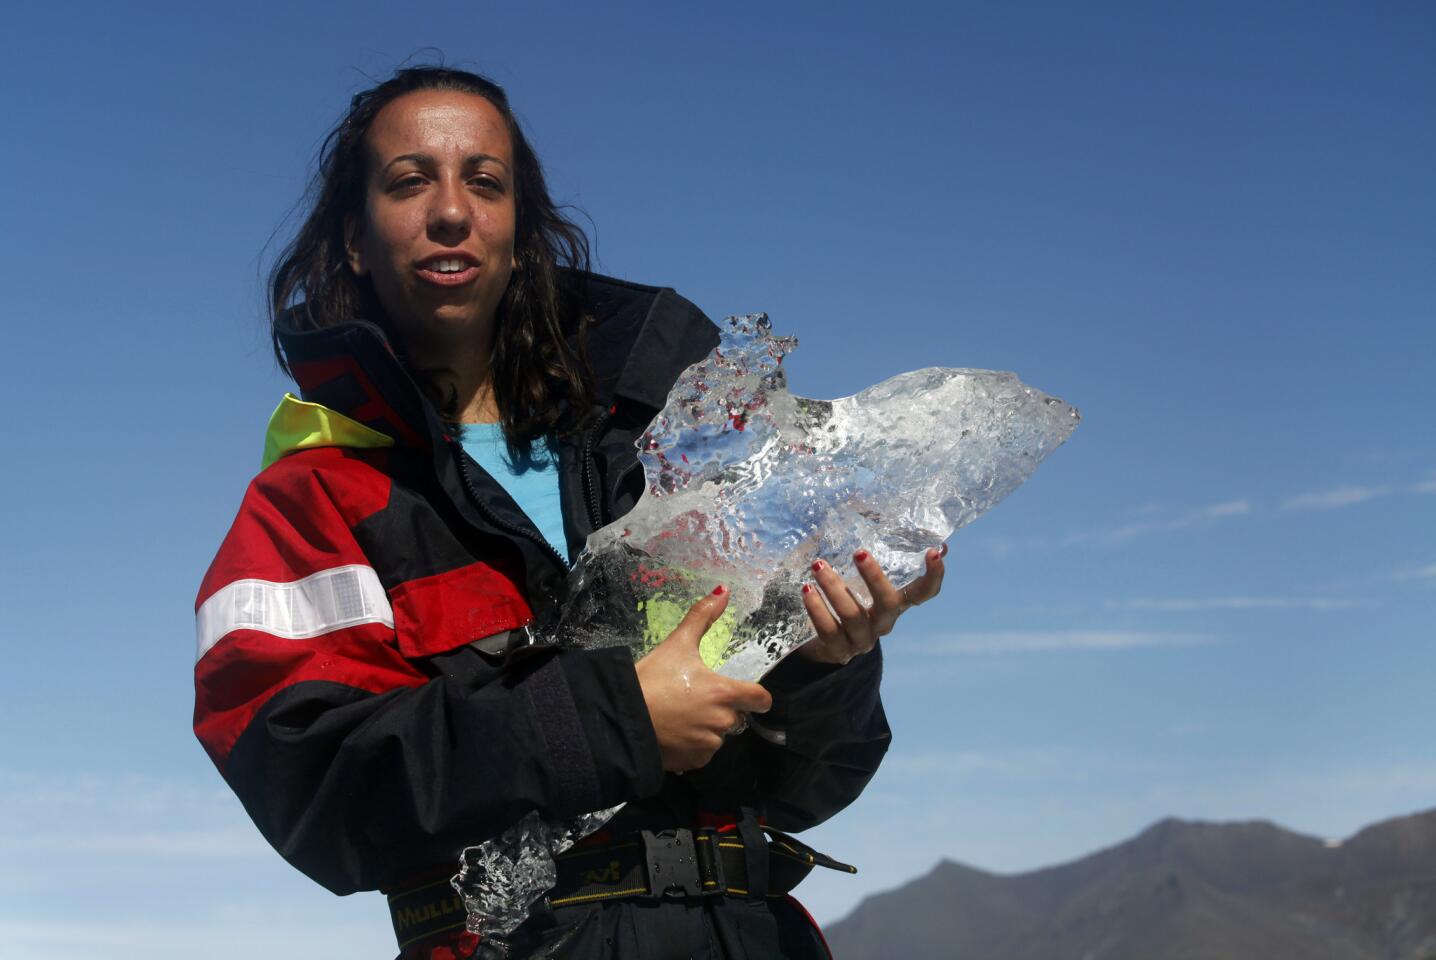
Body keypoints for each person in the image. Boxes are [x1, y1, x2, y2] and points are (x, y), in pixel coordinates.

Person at [193, 65, 945, 960]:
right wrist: (612, 719)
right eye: (408, 181)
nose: (450, 210)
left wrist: (825, 658)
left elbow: (807, 787)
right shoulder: (313, 497)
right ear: (355, 238)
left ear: (520, 231)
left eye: (484, 180)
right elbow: (314, 792)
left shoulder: (660, 450)